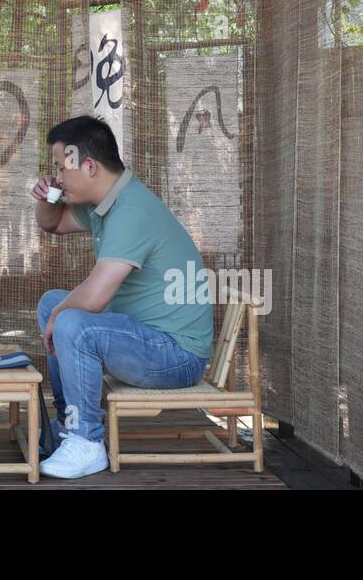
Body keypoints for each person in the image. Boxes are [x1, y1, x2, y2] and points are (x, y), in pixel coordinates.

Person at [31, 115, 213, 478]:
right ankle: (71, 422)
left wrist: (57, 321)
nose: (58, 177)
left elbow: (96, 297)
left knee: (70, 321)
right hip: (143, 336)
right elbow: (52, 224)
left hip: (176, 355)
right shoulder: (106, 201)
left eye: (60, 169)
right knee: (54, 302)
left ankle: (87, 442)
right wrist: (49, 196)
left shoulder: (131, 210)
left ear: (90, 166)